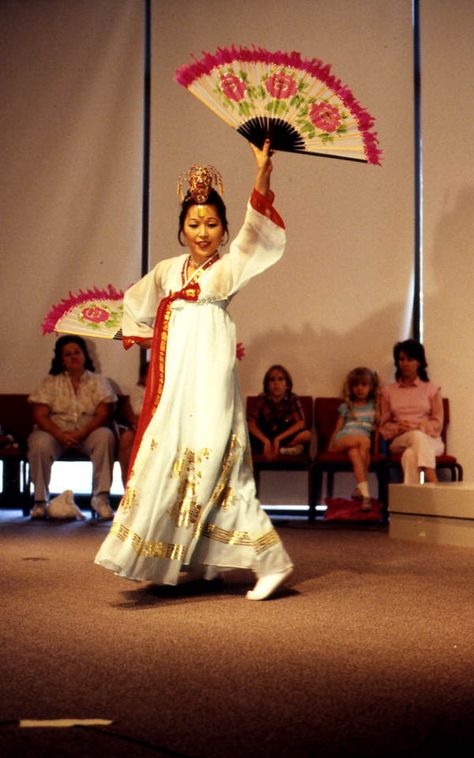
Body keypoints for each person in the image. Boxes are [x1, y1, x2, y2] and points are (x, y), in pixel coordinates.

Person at [95, 141, 294, 600]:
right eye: (194, 223)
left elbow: (256, 231)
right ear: (181, 228)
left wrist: (262, 174)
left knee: (215, 465)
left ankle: (271, 560)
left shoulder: (228, 269)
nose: (202, 231)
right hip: (175, 388)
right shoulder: (167, 271)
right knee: (173, 462)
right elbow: (136, 307)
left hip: (210, 382)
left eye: (212, 224)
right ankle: (204, 562)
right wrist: (128, 330)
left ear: (223, 231)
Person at [27, 335, 117, 520]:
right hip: (56, 434)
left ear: (85, 355)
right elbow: (40, 415)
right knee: (39, 442)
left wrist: (80, 433)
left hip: (88, 432)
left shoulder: (99, 381)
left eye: (77, 352)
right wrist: (60, 434)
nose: (73, 357)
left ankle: (100, 499)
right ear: (61, 359)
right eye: (67, 354)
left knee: (105, 436)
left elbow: (103, 413)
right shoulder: (50, 383)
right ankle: (40, 502)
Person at [379, 339, 444, 484]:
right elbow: (383, 426)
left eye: (410, 359)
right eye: (401, 359)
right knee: (415, 436)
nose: (405, 363)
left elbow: (438, 423)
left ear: (419, 362)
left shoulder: (431, 389)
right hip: (400, 440)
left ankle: (412, 505)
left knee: (410, 455)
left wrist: (417, 427)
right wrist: (397, 428)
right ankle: (434, 483)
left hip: (431, 440)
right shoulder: (388, 392)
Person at [328, 367, 380, 510]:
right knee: (363, 441)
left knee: (355, 453)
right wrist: (331, 444)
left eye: (364, 385)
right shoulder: (347, 406)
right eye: (356, 385)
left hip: (359, 444)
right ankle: (364, 491)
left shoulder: (374, 407)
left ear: (371, 387)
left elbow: (377, 429)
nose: (359, 389)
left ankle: (363, 493)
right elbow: (338, 428)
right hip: (343, 438)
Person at [248, 364, 311, 460]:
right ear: (267, 385)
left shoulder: (293, 398)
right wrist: (266, 441)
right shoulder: (262, 398)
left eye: (280, 379)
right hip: (265, 435)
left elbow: (300, 423)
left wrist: (278, 439)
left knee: (306, 435)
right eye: (272, 380)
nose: (276, 383)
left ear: (287, 385)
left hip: (283, 436)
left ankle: (282, 449)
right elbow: (251, 423)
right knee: (244, 436)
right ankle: (273, 449)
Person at [117, 362, 149, 487]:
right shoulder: (139, 390)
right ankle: (128, 487)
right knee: (127, 439)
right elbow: (137, 410)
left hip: (162, 430)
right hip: (140, 429)